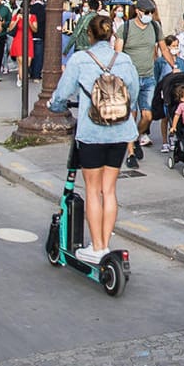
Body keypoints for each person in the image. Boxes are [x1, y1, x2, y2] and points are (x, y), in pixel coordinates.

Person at [45, 15, 139, 262]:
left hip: (92, 132)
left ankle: (96, 247)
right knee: (109, 189)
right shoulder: (124, 60)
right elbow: (135, 93)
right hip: (120, 131)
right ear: (111, 36)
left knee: (92, 189)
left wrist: (55, 106)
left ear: (89, 35)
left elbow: (62, 94)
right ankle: (105, 245)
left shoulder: (80, 59)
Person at [114, 0, 166, 160]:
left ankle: (135, 137)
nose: (149, 15)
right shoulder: (126, 28)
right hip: (130, 78)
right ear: (137, 11)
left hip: (148, 77)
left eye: (151, 12)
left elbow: (163, 49)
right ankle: (130, 153)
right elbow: (118, 54)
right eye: (146, 12)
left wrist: (176, 67)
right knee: (132, 114)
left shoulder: (155, 27)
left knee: (148, 116)